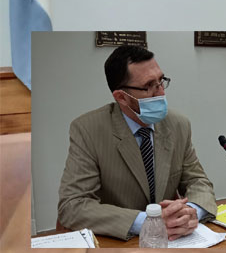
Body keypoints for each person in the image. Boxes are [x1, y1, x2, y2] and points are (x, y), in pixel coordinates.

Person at [57, 45, 216, 241]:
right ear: (122, 97)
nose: (160, 93)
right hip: (119, 243)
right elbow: (72, 205)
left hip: (173, 242)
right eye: (149, 86)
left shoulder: (178, 125)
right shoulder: (88, 130)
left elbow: (198, 182)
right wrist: (147, 222)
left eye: (161, 81)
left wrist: (191, 212)